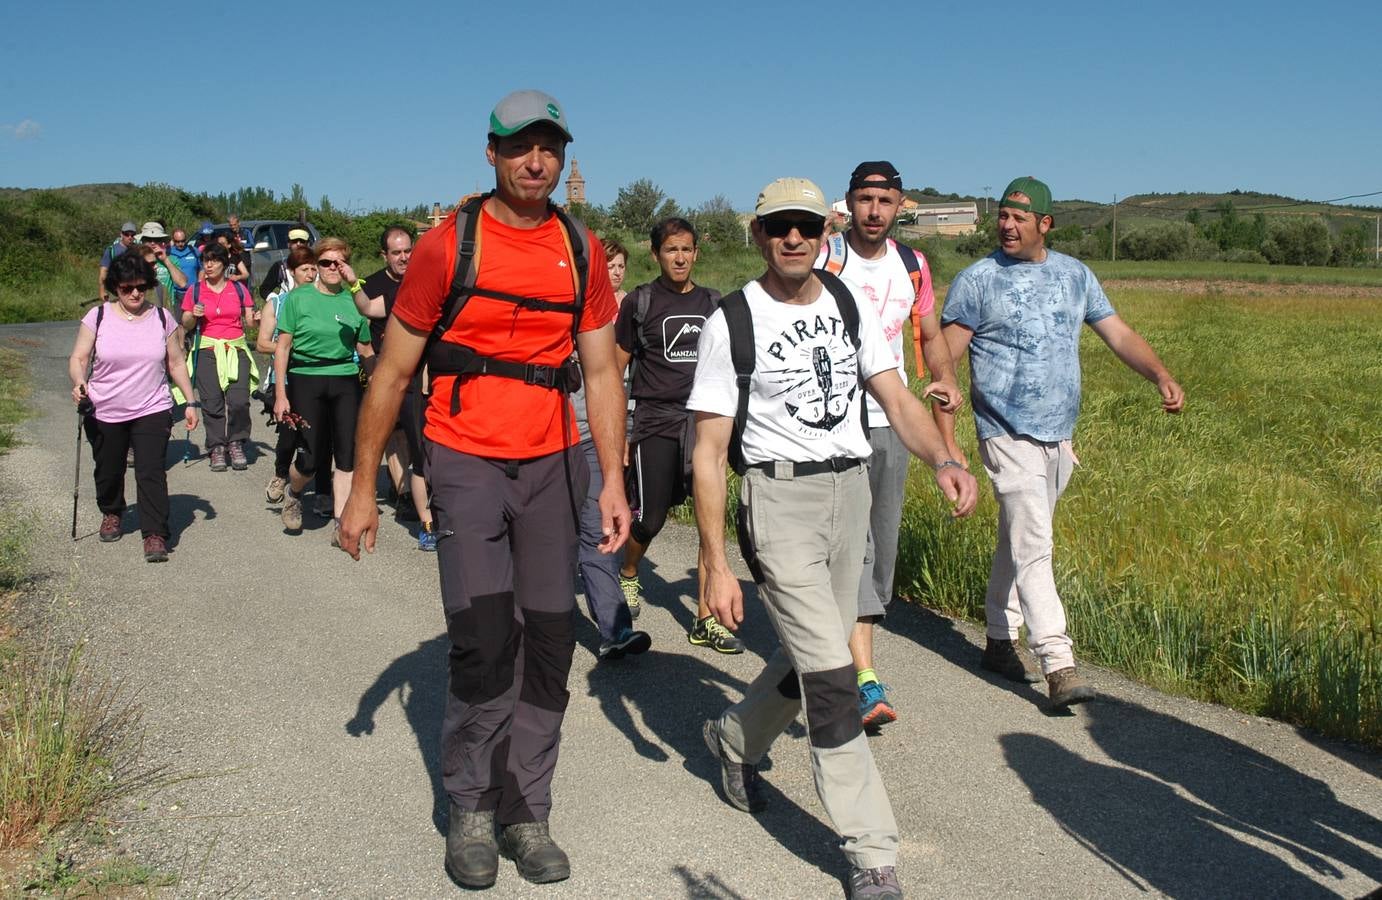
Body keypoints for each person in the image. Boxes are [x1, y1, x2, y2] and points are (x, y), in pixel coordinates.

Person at [337, 89, 629, 890]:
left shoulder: (582, 248)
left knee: (550, 639)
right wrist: (363, 488)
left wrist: (612, 481)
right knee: (480, 637)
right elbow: (393, 373)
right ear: (492, 152)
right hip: (464, 457)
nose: (537, 161)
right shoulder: (445, 248)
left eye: (550, 148)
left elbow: (602, 372)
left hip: (553, 462)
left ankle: (525, 811)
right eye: (521, 147)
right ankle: (469, 805)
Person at [689, 177, 978, 900]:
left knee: (811, 650)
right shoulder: (733, 319)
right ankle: (872, 851)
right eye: (779, 227)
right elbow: (707, 447)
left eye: (806, 227)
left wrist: (941, 457)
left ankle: (732, 740)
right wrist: (714, 560)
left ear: (825, 234)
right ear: (758, 236)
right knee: (832, 676)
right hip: (778, 498)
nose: (793, 238)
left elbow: (894, 395)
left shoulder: (847, 303)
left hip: (850, 491)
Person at [935, 176, 1185, 709]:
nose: (1007, 225)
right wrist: (949, 433)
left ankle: (1000, 642)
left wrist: (1159, 374)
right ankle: (1057, 662)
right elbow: (944, 358)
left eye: (1019, 218)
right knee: (1036, 544)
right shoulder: (978, 280)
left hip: (1058, 434)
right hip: (1004, 430)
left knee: (1019, 537)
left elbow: (1116, 332)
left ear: (1045, 224)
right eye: (1002, 215)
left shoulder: (1075, 275)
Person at [814, 161, 961, 728]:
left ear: (901, 206)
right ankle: (863, 677)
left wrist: (944, 378)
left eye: (886, 200)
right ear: (849, 202)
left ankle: (848, 656)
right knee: (849, 545)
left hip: (890, 421)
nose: (874, 210)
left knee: (882, 543)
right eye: (865, 199)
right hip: (830, 422)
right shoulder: (828, 257)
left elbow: (927, 336)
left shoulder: (912, 265)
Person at [613, 218, 738, 652]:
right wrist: (616, 439)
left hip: (703, 424)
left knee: (710, 520)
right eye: (671, 250)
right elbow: (613, 370)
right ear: (656, 254)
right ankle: (629, 572)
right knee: (650, 516)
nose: (680, 258)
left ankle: (705, 619)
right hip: (654, 421)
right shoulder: (640, 302)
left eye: (686, 250)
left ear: (696, 253)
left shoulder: (713, 303)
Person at [69, 253, 199, 562]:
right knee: (109, 469)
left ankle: (155, 533)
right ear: (116, 287)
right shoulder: (97, 317)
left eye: (141, 287)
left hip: (152, 406)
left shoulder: (161, 317)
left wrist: (190, 400)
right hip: (104, 408)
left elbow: (176, 362)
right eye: (127, 288)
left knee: (151, 470)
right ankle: (112, 511)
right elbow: (79, 358)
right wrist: (78, 382)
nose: (135, 294)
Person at [271, 237, 374, 540]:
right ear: (316, 266)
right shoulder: (298, 298)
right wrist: (280, 394)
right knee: (310, 459)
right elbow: (282, 348)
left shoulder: (353, 301)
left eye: (338, 263)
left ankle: (340, 524)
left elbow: (365, 350)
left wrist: (379, 390)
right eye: (326, 262)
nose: (332, 268)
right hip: (305, 377)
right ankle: (293, 492)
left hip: (344, 378)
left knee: (346, 455)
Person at [352, 225, 434, 548]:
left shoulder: (421, 280)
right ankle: (409, 499)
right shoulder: (373, 286)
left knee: (415, 440)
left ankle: (406, 495)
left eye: (408, 251)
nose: (404, 257)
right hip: (384, 374)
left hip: (420, 377)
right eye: (397, 252)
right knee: (395, 435)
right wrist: (373, 374)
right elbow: (363, 331)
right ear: (384, 255)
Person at [180, 243, 257, 472]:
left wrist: (259, 318)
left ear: (225, 264)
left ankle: (236, 442)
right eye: (206, 260)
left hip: (236, 349)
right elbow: (185, 323)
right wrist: (193, 316)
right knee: (212, 402)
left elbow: (250, 321)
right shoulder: (195, 290)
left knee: (239, 400)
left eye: (214, 260)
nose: (209, 265)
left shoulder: (239, 289)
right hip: (207, 349)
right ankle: (216, 447)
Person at [258, 245, 316, 505]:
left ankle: (320, 490)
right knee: (290, 433)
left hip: (316, 377)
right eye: (305, 269)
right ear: (292, 272)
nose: (311, 274)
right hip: (286, 378)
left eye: (315, 268)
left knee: (317, 435)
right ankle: (281, 474)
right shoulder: (277, 303)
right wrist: (289, 349)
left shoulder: (322, 301)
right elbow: (262, 343)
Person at [136, 223, 189, 310]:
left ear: (162, 241)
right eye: (148, 239)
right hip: (142, 307)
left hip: (165, 307)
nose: (152, 243)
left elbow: (182, 283)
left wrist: (165, 260)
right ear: (142, 241)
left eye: (156, 240)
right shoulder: (135, 259)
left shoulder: (171, 260)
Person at [258, 228, 314, 301]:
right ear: (288, 244)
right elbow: (264, 289)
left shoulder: (319, 264)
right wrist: (278, 301)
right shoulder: (281, 266)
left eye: (302, 241)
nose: (298, 244)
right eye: (294, 241)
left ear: (308, 244)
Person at [97, 221, 137, 303]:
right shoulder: (111, 250)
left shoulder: (137, 250)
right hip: (114, 291)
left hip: (133, 291)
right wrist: (102, 290)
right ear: (121, 234)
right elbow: (103, 272)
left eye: (132, 235)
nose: (129, 237)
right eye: (126, 234)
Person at [167, 228, 202, 303]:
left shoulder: (194, 251)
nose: (180, 244)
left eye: (183, 241)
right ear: (173, 240)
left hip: (193, 292)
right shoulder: (168, 252)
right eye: (177, 241)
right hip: (175, 293)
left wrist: (199, 283)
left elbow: (202, 268)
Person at [604, 236, 629, 305]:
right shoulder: (590, 301)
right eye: (611, 267)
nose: (617, 272)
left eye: (621, 266)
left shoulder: (630, 301)